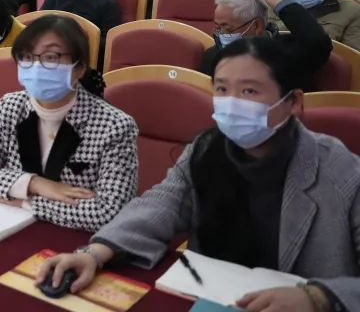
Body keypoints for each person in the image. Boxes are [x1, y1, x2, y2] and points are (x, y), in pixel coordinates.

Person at [38, 37, 359, 311]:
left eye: (250, 91)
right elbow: (162, 204)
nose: (232, 104)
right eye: (222, 89)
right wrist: (95, 254)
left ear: (294, 102)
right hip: (210, 297)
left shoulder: (341, 171)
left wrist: (318, 297)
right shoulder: (206, 148)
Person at [0, 16, 138, 232]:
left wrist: (27, 203)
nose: (36, 67)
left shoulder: (115, 126)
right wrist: (33, 184)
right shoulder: (11, 106)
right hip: (9, 228)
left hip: (73, 237)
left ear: (79, 67)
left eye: (51, 57)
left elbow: (110, 211)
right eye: (27, 57)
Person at [202, 0, 330, 88]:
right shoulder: (213, 55)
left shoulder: (287, 54)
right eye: (218, 27)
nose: (221, 35)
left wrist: (282, 5)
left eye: (228, 29)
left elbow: (318, 42)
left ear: (257, 26)